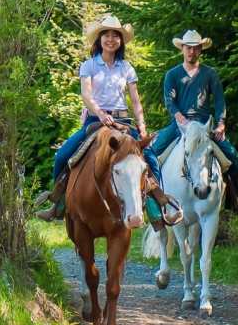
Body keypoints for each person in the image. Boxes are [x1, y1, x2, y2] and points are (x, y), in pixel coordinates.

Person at [35, 15, 181, 224]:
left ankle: (159, 208)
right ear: (99, 39)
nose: (111, 39)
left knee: (150, 159)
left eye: (116, 35)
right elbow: (86, 95)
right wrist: (101, 114)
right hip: (95, 120)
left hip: (123, 121)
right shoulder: (88, 65)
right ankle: (58, 204)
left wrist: (141, 126)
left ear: (121, 41)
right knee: (63, 155)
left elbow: (136, 101)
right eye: (107, 35)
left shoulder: (127, 68)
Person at [145, 29, 238, 208]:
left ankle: (234, 199)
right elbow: (170, 100)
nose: (192, 51)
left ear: (200, 50)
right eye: (188, 48)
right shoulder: (172, 74)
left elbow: (220, 101)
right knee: (152, 153)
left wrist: (221, 124)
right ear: (182, 49)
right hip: (179, 125)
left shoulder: (210, 74)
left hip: (204, 124)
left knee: (232, 155)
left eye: (196, 48)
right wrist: (179, 116)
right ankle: (153, 200)